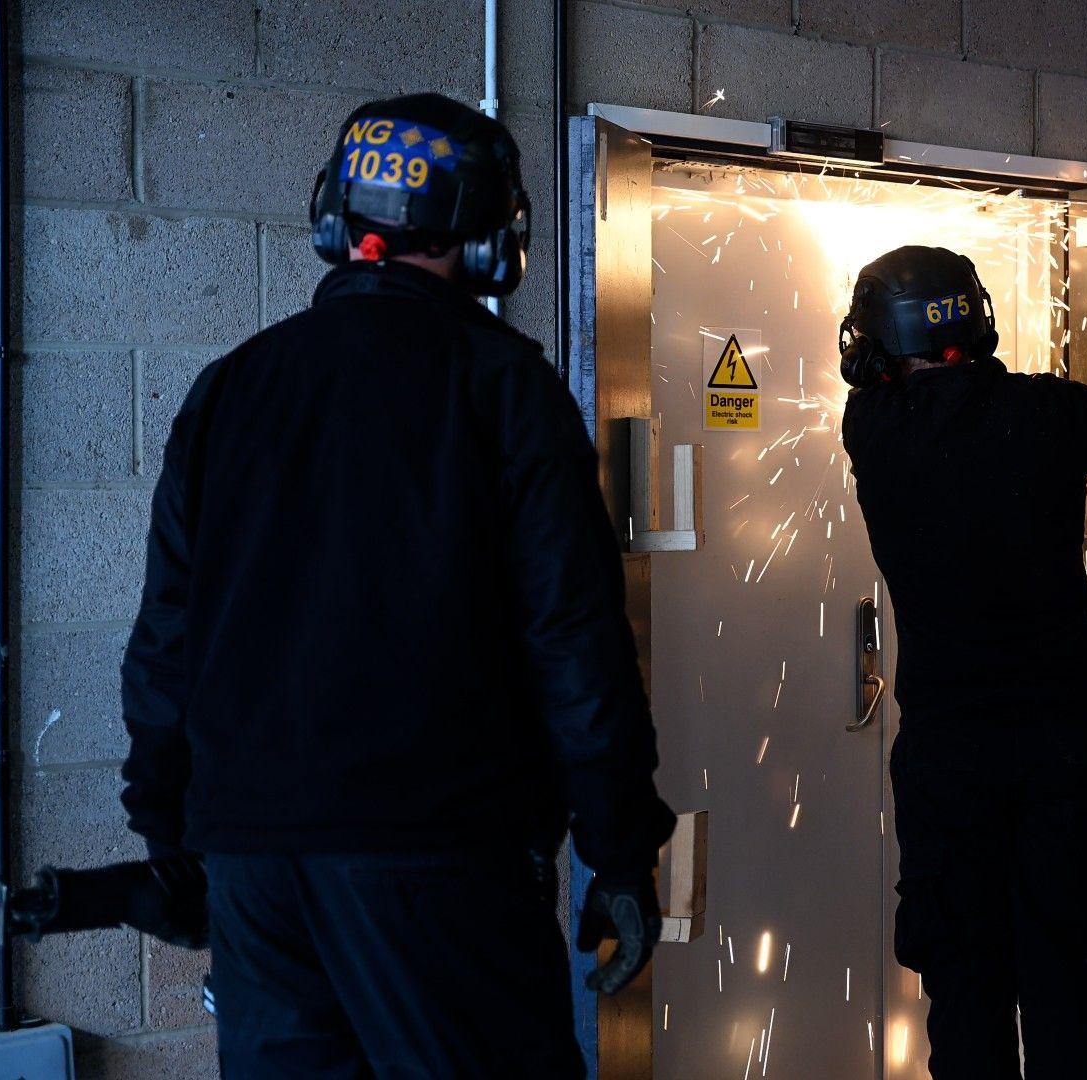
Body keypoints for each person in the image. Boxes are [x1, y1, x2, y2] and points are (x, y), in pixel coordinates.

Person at [119, 93, 673, 1077]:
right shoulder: (502, 387)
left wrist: (171, 833)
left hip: (253, 865)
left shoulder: (231, 389)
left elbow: (168, 638)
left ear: (339, 218)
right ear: (491, 238)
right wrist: (618, 848)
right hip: (437, 854)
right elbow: (574, 644)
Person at [838, 246, 1087, 1078]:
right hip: (1062, 751)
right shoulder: (1044, 410)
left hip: (949, 759)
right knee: (1068, 992)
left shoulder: (871, 426)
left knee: (967, 992)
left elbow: (920, 398)